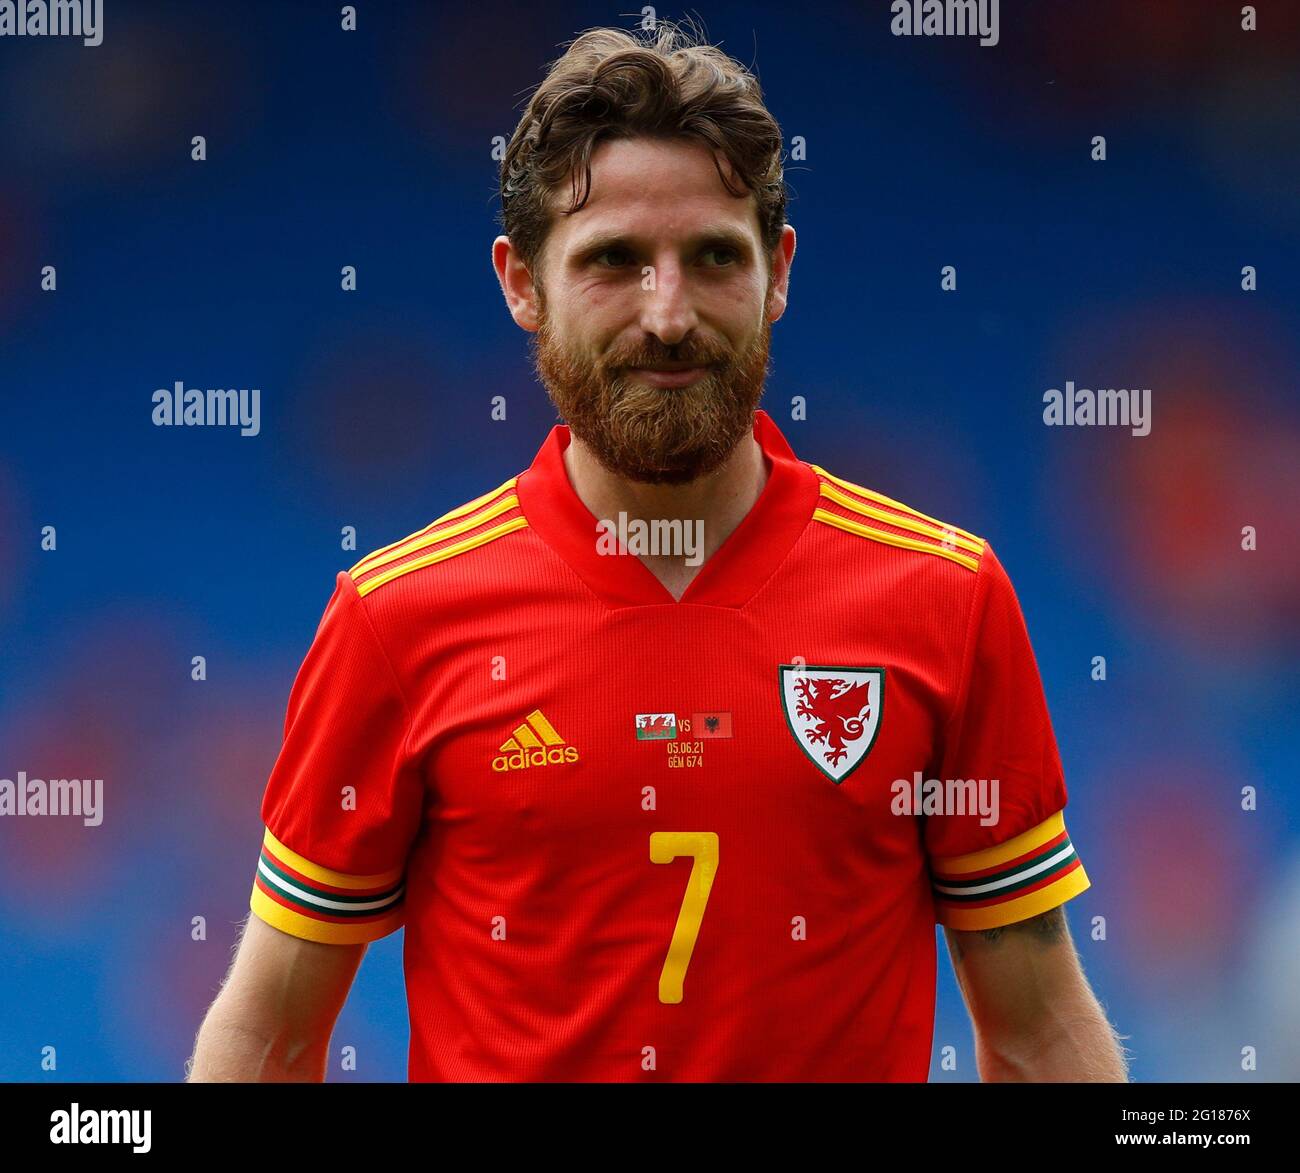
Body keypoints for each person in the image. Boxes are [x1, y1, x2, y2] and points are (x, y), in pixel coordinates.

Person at [189, 21, 1127, 1082]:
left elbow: (1040, 1030)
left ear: (777, 272)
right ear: (520, 284)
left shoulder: (944, 597)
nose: (668, 314)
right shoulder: (395, 616)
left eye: (713, 256)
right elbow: (268, 1033)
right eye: (614, 262)